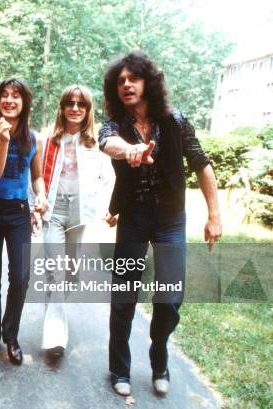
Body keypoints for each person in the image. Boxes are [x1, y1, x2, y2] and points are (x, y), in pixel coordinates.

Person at [98, 51, 222, 396]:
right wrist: (129, 150)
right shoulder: (114, 125)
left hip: (170, 218)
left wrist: (214, 215)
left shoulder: (175, 120)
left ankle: (159, 357)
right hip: (134, 217)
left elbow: (201, 164)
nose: (126, 85)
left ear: (148, 82)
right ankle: (119, 369)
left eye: (133, 79)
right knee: (123, 296)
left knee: (169, 299)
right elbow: (108, 144)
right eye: (120, 81)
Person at [0, 77, 47, 366]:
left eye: (16, 95)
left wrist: (40, 196)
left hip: (19, 213)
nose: (9, 100)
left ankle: (11, 336)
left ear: (24, 102)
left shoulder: (33, 137)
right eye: (4, 95)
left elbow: (37, 175)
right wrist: (3, 139)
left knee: (20, 278)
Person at [40, 85, 113, 357]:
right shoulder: (48, 139)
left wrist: (108, 207)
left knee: (69, 275)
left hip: (80, 213)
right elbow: (34, 174)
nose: (75, 108)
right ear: (62, 107)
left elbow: (108, 178)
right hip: (54, 211)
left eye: (81, 104)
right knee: (55, 269)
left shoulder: (95, 143)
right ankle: (55, 337)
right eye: (70, 103)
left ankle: (53, 308)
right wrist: (35, 202)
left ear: (88, 110)